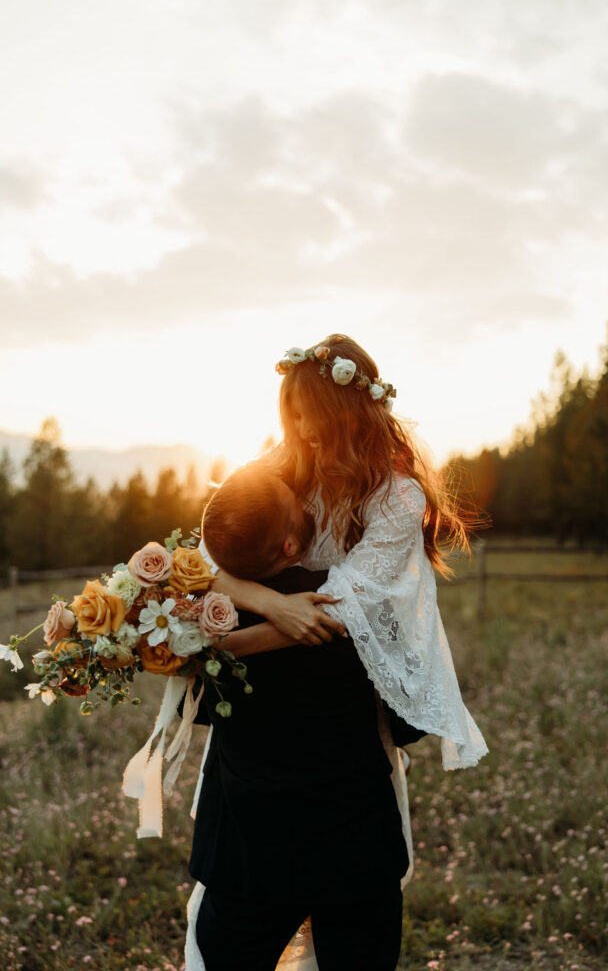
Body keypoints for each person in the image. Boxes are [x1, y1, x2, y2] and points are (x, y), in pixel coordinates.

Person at [187, 333, 487, 970]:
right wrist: (273, 605)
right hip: (257, 739)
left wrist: (229, 644)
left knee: (355, 928)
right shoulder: (274, 466)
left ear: (352, 414)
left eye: (311, 418)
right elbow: (203, 562)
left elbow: (344, 610)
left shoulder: (397, 496)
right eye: (290, 416)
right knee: (231, 936)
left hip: (342, 733)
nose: (300, 433)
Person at [188, 461, 418, 971]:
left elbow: (199, 701)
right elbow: (408, 720)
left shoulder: (200, 619)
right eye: (297, 503)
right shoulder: (350, 602)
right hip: (353, 848)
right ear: (291, 545)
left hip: (244, 854)